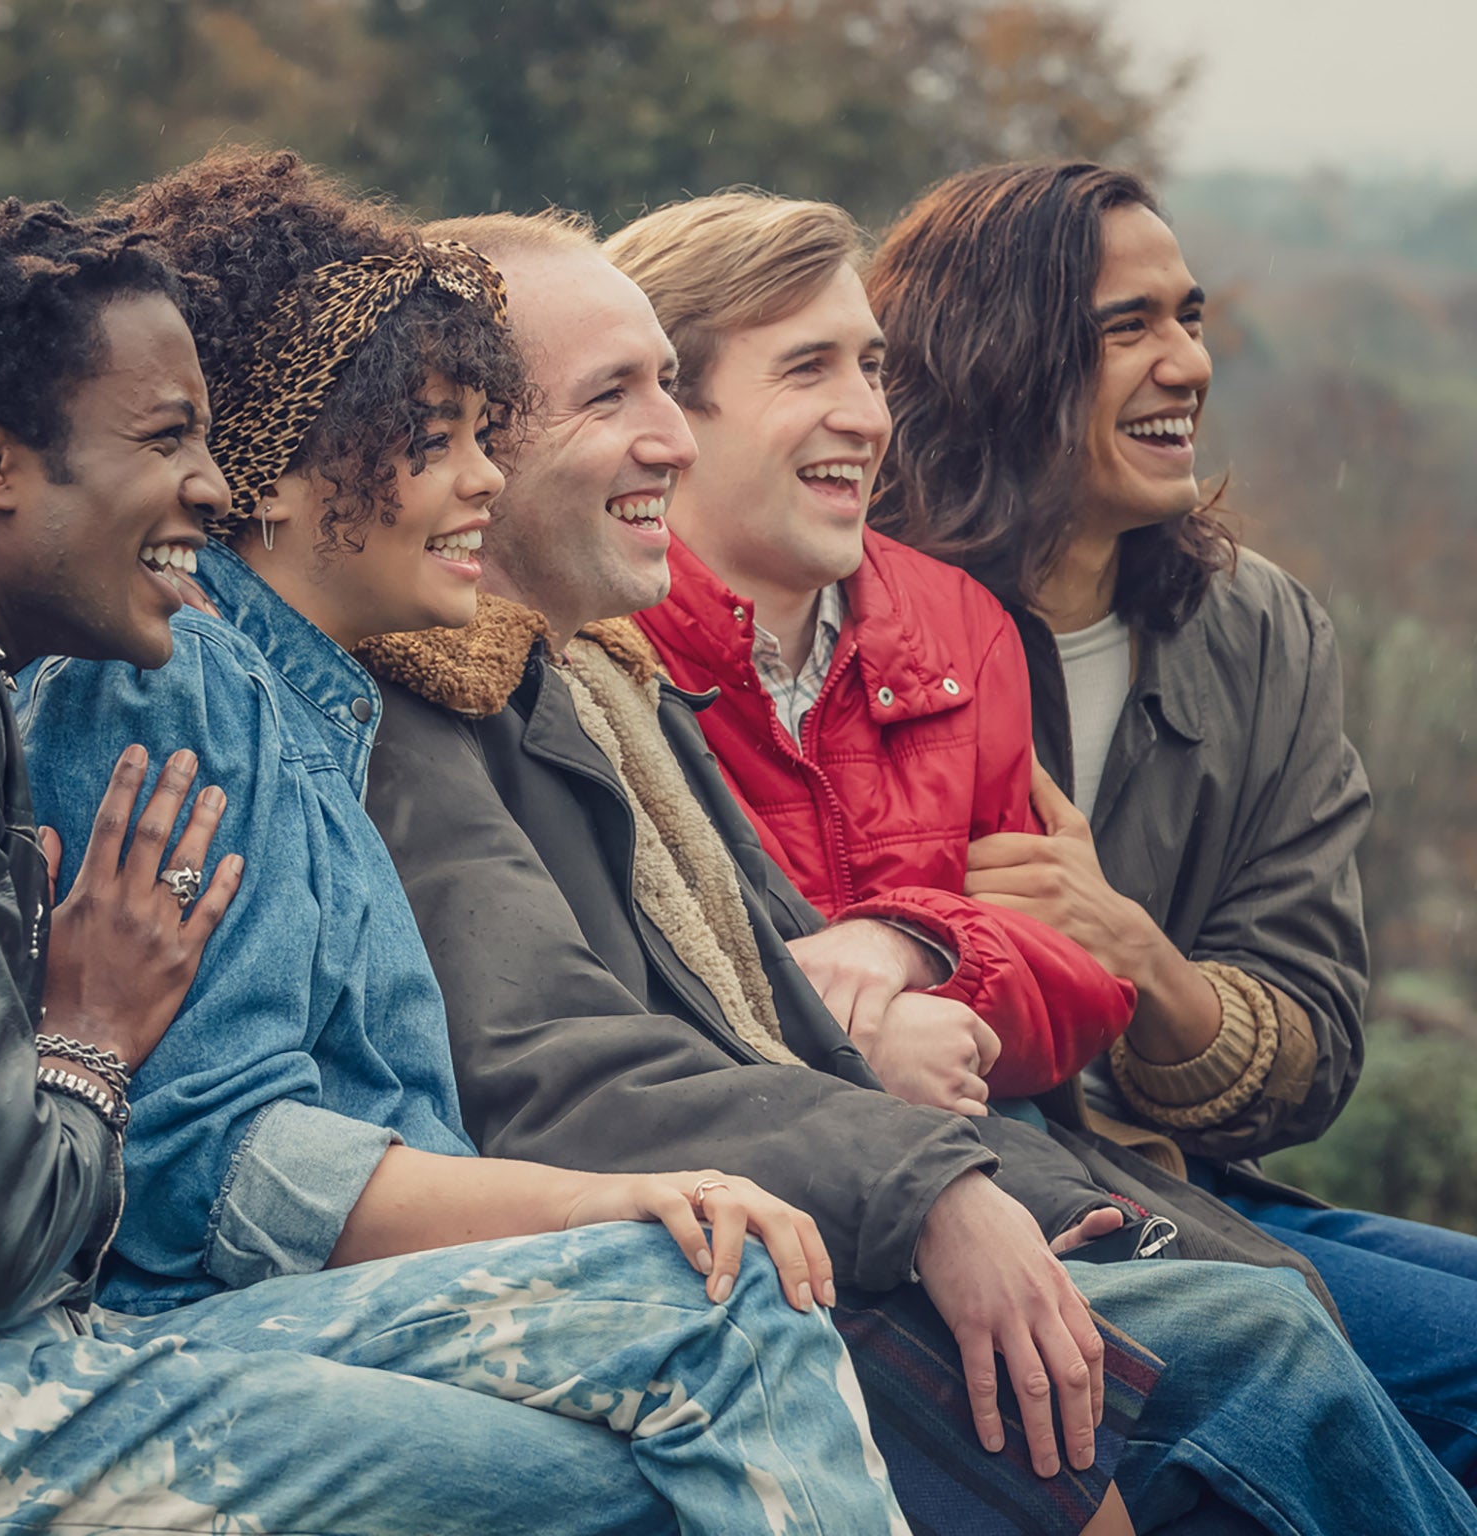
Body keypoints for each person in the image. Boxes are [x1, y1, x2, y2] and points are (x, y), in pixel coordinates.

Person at [0, 184, 899, 1536]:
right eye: (166, 441)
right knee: (646, 1429)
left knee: (694, 1343)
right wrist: (90, 1036)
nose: (213, 488)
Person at [360, 204, 1477, 1534]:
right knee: (1264, 1354)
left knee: (1311, 1328)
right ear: (465, 448)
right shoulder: (590, 657)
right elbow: (598, 1066)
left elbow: (1058, 977)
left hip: (976, 1160)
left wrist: (922, 958)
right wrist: (940, 1159)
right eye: (627, 393)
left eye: (872, 368)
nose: (1187, 359)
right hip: (808, 1216)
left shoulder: (921, 632)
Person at [12, 150, 912, 1533]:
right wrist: (600, 1204)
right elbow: (206, 1161)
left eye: (488, 435)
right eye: (432, 441)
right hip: (180, 1340)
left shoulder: (315, 706)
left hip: (335, 1315)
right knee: (720, 1290)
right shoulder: (174, 680)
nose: (487, 482)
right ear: (286, 466)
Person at [866, 159, 1477, 1487]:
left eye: (1190, 319)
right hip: (1005, 1214)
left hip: (1199, 1183)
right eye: (1126, 327)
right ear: (995, 358)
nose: (1186, 363)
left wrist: (1135, 961)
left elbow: (1312, 1041)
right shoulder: (865, 610)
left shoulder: (1258, 629)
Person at [606, 189, 1133, 1107]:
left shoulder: (960, 625)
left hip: (999, 1161)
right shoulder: (591, 644)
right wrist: (854, 1045)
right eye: (808, 368)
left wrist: (906, 944)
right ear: (669, 412)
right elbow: (581, 1010)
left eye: (872, 370)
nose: (867, 417)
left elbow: (1080, 989)